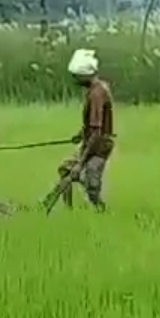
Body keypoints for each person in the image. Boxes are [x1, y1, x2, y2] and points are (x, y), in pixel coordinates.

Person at [58, 48, 115, 211]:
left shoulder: (97, 94)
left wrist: (81, 162)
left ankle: (102, 212)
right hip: (92, 142)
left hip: (98, 147)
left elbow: (96, 131)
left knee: (91, 187)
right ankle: (69, 211)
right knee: (65, 170)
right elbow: (92, 126)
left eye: (76, 76)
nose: (75, 79)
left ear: (85, 75)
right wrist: (81, 134)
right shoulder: (96, 89)